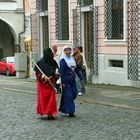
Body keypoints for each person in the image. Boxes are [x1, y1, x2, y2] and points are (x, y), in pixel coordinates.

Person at [34, 48, 59, 120]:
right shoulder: (40, 62)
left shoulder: (53, 61)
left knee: (51, 100)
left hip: (51, 83)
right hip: (43, 84)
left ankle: (50, 114)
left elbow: (56, 70)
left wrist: (56, 75)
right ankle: (45, 111)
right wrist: (43, 76)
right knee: (44, 99)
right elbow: (37, 73)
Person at [59, 45, 83, 117]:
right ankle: (70, 111)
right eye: (66, 50)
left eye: (69, 50)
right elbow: (62, 72)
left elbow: (76, 70)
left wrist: (81, 78)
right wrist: (62, 82)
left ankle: (64, 108)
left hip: (72, 80)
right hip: (66, 81)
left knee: (74, 94)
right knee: (69, 96)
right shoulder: (62, 60)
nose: (68, 51)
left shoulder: (73, 59)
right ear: (64, 51)